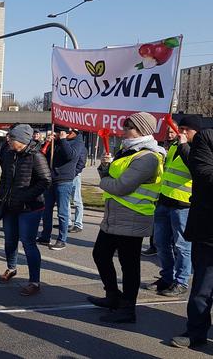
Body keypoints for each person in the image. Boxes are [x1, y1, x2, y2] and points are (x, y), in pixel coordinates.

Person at [88, 112, 165, 323]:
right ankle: (113, 296)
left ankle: (128, 308)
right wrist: (105, 167)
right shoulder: (129, 150)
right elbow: (114, 177)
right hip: (115, 216)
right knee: (100, 255)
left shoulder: (148, 156)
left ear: (141, 129)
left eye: (128, 127)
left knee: (129, 265)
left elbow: (120, 186)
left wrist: (103, 181)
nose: (123, 131)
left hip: (134, 216)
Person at [143, 116, 199, 298]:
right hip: (165, 201)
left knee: (182, 245)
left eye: (186, 130)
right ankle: (166, 277)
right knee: (160, 242)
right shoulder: (175, 146)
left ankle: (181, 281)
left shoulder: (198, 148)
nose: (181, 132)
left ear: (195, 132)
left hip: (183, 205)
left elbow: (195, 167)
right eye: (179, 128)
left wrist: (184, 145)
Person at [171, 127, 213, 349]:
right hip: (208, 230)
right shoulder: (207, 137)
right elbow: (204, 174)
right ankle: (196, 332)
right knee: (202, 290)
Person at [0, 124, 51, 296]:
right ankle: (11, 268)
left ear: (20, 140)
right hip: (10, 205)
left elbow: (45, 181)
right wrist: (1, 196)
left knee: (28, 243)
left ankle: (34, 281)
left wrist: (25, 195)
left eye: (11, 138)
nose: (8, 140)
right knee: (9, 240)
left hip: (30, 208)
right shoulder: (8, 154)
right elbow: (5, 177)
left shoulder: (36, 156)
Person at [38, 126, 84, 250]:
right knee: (46, 210)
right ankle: (45, 235)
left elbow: (70, 156)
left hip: (64, 181)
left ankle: (61, 239)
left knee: (62, 212)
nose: (57, 134)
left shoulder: (77, 142)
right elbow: (43, 156)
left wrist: (63, 140)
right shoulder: (56, 142)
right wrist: (47, 143)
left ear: (71, 132)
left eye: (59, 132)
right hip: (51, 180)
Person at [143, 126, 179, 257]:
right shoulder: (162, 147)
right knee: (157, 225)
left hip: (176, 196)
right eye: (167, 132)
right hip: (160, 190)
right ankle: (154, 246)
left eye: (172, 132)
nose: (169, 135)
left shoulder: (181, 147)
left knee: (175, 233)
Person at [69, 129, 87, 234]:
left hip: (74, 176)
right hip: (67, 176)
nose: (68, 133)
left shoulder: (80, 146)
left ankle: (78, 224)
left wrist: (73, 173)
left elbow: (81, 162)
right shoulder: (68, 143)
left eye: (70, 132)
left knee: (77, 200)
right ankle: (67, 222)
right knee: (66, 201)